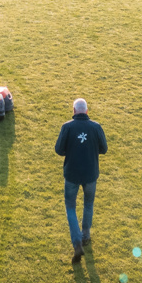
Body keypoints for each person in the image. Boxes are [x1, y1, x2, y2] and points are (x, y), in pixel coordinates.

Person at [55, 98, 108, 264]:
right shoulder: (96, 127)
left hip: (71, 174)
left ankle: (77, 241)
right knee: (88, 204)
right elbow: (104, 149)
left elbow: (58, 150)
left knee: (70, 207)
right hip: (91, 174)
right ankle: (86, 235)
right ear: (86, 111)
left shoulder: (67, 127)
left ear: (73, 110)